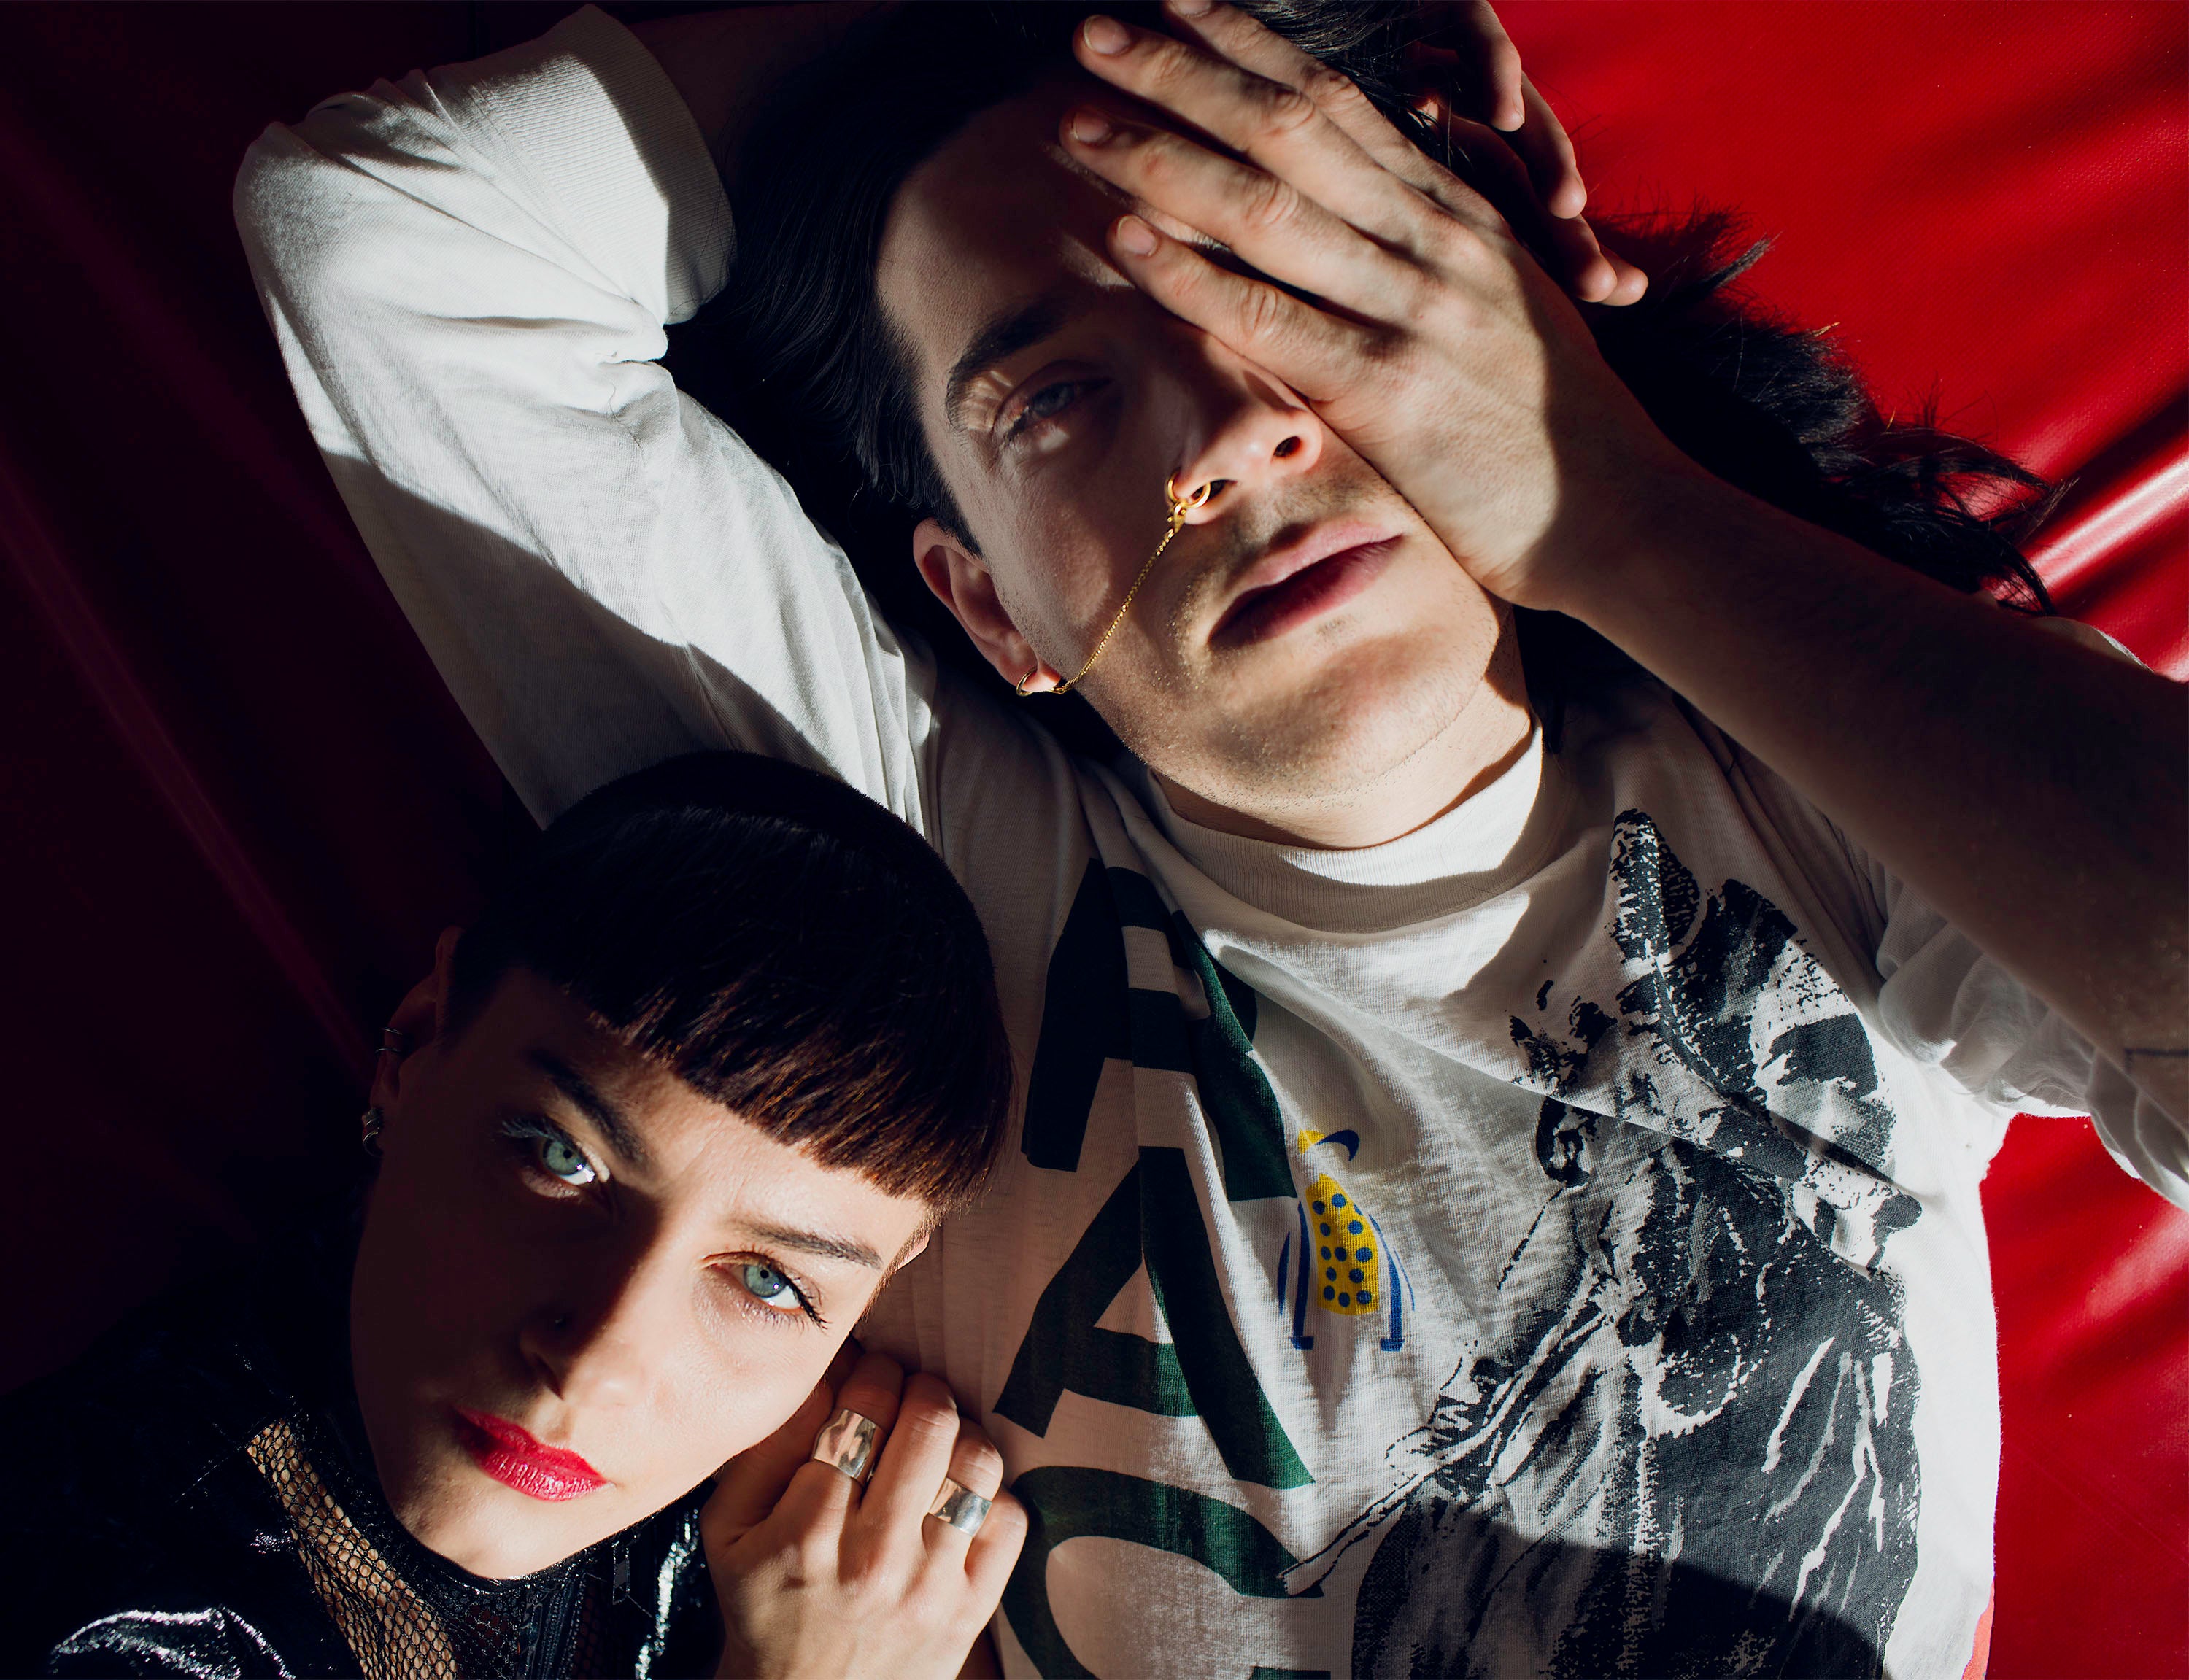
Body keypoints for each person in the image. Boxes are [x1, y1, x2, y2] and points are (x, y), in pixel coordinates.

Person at [234, 2, 2188, 1673]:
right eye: (1058, 400)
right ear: (989, 605)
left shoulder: (1828, 782)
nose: (1226, 435)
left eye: (1286, 292)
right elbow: (389, 241)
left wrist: (1608, 500)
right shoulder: (938, 854)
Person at [0, 751, 1027, 1677]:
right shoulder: (98, 1613)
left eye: (770, 1283)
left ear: (879, 1292)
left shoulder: (829, 1560)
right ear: (417, 1045)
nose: (595, 1362)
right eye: (559, 1157)